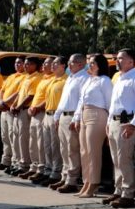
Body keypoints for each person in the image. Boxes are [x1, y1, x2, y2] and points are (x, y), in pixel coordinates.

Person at [104, 48, 135, 208]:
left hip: (127, 123)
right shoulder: (119, 78)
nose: (117, 61)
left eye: (121, 58)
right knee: (116, 159)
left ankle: (127, 194)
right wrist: (108, 122)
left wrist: (133, 124)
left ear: (131, 61)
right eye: (117, 58)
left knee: (124, 158)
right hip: (114, 122)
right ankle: (118, 190)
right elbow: (114, 104)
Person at [72, 54, 113, 198]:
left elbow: (110, 103)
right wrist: (77, 118)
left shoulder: (105, 80)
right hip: (85, 114)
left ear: (100, 65)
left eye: (92, 63)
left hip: (98, 115)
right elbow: (81, 101)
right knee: (84, 151)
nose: (89, 65)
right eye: (89, 63)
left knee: (93, 151)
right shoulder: (89, 80)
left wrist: (109, 122)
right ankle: (86, 181)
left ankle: (94, 182)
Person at [53, 54, 89, 193]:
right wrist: (57, 115)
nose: (69, 65)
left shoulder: (84, 78)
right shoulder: (70, 78)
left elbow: (82, 101)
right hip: (64, 115)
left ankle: (72, 180)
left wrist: (76, 118)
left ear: (81, 64)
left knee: (72, 149)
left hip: (73, 116)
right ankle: (64, 177)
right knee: (64, 149)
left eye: (72, 62)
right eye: (69, 62)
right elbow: (64, 99)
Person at [23, 57, 55, 182]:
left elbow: (48, 98)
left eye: (48, 63)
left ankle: (42, 168)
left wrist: (37, 107)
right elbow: (37, 96)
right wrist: (32, 107)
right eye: (44, 63)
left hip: (42, 112)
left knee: (42, 143)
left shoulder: (53, 79)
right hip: (34, 112)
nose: (44, 65)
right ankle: (35, 167)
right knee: (33, 143)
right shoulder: (43, 78)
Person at [11, 57, 43, 177]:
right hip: (18, 109)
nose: (25, 66)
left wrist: (18, 106)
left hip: (25, 110)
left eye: (29, 64)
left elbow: (30, 96)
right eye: (25, 64)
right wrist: (14, 105)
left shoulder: (37, 77)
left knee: (24, 138)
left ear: (35, 65)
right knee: (16, 137)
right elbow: (20, 93)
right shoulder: (26, 77)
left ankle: (25, 164)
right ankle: (19, 162)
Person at [0, 57, 25, 171]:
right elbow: (2, 90)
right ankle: (5, 160)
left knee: (13, 136)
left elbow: (19, 93)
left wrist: (5, 102)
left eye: (19, 62)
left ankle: (14, 161)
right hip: (4, 109)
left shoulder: (25, 77)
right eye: (16, 62)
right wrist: (0, 101)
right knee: (4, 136)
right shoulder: (11, 76)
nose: (17, 64)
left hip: (11, 109)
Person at [40, 57, 67, 188]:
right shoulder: (52, 80)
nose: (53, 65)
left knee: (55, 146)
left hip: (57, 116)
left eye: (56, 63)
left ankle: (56, 173)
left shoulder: (66, 80)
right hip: (47, 114)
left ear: (63, 66)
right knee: (47, 146)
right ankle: (48, 170)